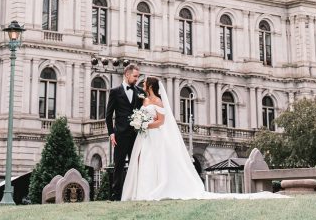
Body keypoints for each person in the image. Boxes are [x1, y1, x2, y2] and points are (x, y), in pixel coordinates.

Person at [121, 76, 279, 201]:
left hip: (154, 135)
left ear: (149, 86)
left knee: (155, 161)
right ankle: (142, 190)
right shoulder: (145, 100)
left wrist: (146, 125)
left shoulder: (158, 101)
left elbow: (161, 121)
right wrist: (139, 123)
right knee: (144, 161)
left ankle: (153, 190)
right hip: (145, 137)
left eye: (144, 84)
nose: (142, 85)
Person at [104, 63, 144, 201]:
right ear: (127, 75)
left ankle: (136, 193)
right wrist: (111, 133)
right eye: (135, 76)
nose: (137, 79)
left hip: (136, 135)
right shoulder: (115, 92)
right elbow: (108, 115)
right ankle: (116, 196)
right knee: (118, 166)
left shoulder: (140, 92)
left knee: (136, 165)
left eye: (138, 76)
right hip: (120, 135)